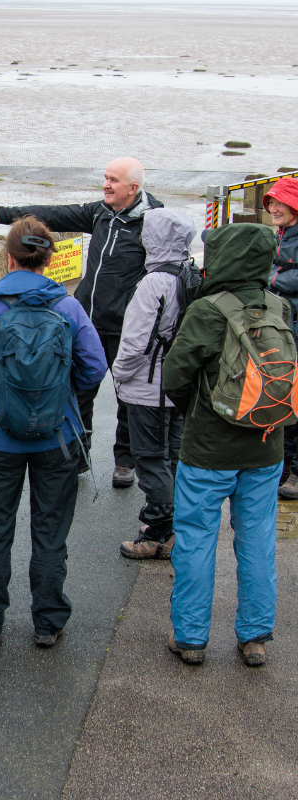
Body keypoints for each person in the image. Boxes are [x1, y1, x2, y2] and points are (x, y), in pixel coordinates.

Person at [0, 216, 107, 648]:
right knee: (51, 532)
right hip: (58, 436)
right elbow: (94, 368)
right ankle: (48, 621)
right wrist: (59, 390)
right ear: (49, 258)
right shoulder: (69, 307)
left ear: (9, 256)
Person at [0, 158, 163, 488]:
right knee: (79, 392)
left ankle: (125, 460)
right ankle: (79, 452)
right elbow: (56, 213)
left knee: (129, 400)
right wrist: (4, 213)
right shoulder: (101, 212)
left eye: (114, 180)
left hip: (127, 328)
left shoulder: (153, 221)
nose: (106, 184)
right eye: (105, 177)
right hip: (89, 323)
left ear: (133, 189)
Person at [163, 223, 286, 667]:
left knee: (196, 538)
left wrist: (200, 409)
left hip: (209, 450)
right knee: (257, 538)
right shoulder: (278, 306)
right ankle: (254, 637)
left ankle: (191, 637)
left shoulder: (207, 310)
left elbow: (175, 376)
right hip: (266, 446)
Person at [113, 208, 196, 559]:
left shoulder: (153, 283)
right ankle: (180, 528)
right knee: (174, 458)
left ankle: (158, 533)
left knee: (149, 459)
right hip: (177, 386)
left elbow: (135, 344)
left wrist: (118, 375)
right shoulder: (188, 273)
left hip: (148, 389)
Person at [263, 177, 298, 499]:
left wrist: (271, 277)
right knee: (283, 398)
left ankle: (295, 472)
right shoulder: (281, 236)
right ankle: (284, 467)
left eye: (280, 202)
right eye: (271, 203)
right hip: (283, 331)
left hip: (293, 332)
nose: (274, 208)